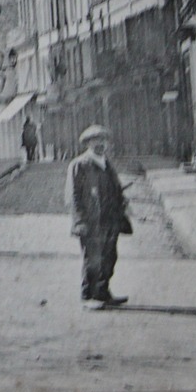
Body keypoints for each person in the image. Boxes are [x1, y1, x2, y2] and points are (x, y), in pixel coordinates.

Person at [66, 124, 131, 309]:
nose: (100, 144)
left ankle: (103, 292)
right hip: (91, 221)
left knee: (109, 256)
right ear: (87, 143)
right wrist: (79, 221)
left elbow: (116, 188)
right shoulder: (79, 165)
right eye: (95, 141)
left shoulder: (106, 163)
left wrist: (122, 201)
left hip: (110, 219)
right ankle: (88, 296)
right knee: (93, 259)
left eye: (103, 140)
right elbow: (74, 196)